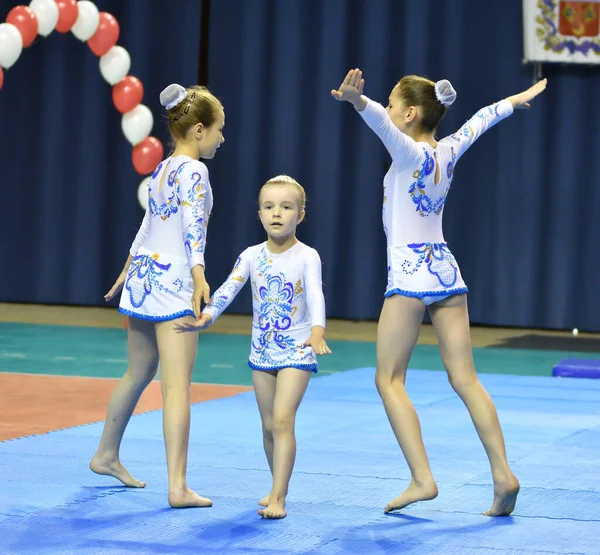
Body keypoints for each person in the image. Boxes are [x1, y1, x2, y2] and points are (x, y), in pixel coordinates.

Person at [331, 68, 547, 516]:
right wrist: (515, 99)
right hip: (446, 271)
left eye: (393, 103)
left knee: (388, 379)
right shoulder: (448, 149)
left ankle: (422, 478)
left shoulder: (408, 151)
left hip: (409, 274)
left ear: (410, 114)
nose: (388, 110)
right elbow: (481, 120)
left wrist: (358, 102)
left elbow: (379, 123)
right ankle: (503, 474)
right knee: (466, 378)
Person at [89, 83, 225, 509]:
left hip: (145, 278)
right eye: (220, 130)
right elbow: (192, 228)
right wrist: (200, 275)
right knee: (177, 387)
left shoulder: (164, 168)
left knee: (139, 370)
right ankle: (178, 486)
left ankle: (106, 453)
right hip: (173, 284)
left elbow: (148, 224)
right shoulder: (195, 171)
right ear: (199, 130)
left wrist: (129, 268)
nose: (222, 138)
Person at [176, 175, 331, 519]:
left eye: (286, 207)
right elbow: (229, 288)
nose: (277, 213)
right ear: (259, 213)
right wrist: (208, 315)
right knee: (267, 425)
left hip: (297, 347)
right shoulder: (250, 255)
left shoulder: (307, 256)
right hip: (261, 351)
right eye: (269, 206)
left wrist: (318, 332)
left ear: (300, 215)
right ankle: (275, 482)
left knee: (282, 420)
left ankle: (279, 496)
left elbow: (316, 294)